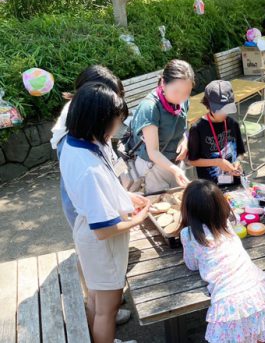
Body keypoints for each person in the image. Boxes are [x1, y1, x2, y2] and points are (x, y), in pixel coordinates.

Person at [60, 82, 151, 343]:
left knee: (96, 302)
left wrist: (127, 196)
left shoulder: (75, 142)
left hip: (86, 230)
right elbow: (103, 230)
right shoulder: (88, 167)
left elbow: (104, 187)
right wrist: (139, 219)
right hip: (101, 244)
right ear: (98, 120)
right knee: (107, 310)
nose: (118, 127)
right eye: (116, 121)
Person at [50, 65, 133, 326]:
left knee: (99, 299)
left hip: (93, 222)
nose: (116, 125)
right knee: (102, 299)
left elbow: (108, 153)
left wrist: (122, 183)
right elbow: (98, 224)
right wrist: (134, 216)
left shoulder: (89, 127)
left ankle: (99, 308)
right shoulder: (79, 153)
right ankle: (102, 312)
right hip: (92, 223)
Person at [177, 179, 265, 343]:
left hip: (228, 302)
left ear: (188, 209)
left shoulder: (188, 234)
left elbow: (192, 265)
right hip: (256, 292)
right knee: (259, 337)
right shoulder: (226, 224)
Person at [128, 59, 194, 194]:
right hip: (154, 167)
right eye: (176, 91)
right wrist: (175, 170)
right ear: (163, 83)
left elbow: (183, 128)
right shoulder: (150, 108)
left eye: (186, 92)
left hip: (174, 163)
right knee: (159, 206)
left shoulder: (183, 101)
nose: (181, 97)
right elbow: (153, 152)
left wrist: (185, 141)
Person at [187, 80, 245, 186]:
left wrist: (237, 162)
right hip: (211, 187)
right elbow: (192, 160)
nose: (224, 113)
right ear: (208, 105)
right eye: (219, 110)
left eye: (226, 109)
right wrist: (217, 162)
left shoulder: (233, 123)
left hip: (236, 181)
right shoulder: (197, 128)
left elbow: (241, 152)